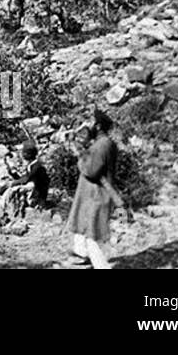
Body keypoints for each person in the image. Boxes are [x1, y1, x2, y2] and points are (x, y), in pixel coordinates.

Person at [65, 108, 121, 269]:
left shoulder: (102, 145)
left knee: (92, 236)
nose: (84, 127)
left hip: (96, 196)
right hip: (92, 195)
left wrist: (79, 154)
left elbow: (91, 170)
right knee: (82, 229)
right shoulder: (102, 144)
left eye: (88, 123)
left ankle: (101, 266)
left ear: (97, 126)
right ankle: (81, 257)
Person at [0, 141, 49, 227]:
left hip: (37, 197)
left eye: (23, 152)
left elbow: (26, 180)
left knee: (11, 190)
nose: (22, 155)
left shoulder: (37, 167)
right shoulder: (33, 165)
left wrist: (12, 183)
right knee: (11, 188)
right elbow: (23, 179)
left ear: (28, 154)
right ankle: (1, 215)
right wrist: (12, 173)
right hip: (33, 192)